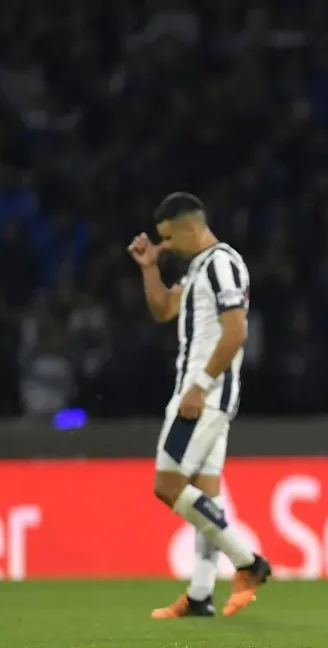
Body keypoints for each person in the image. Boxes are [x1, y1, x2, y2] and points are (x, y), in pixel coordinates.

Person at [127, 192, 270, 619]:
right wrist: (150, 268)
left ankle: (248, 561)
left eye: (169, 237)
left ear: (191, 227)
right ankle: (201, 594)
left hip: (203, 395)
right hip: (201, 394)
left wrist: (200, 386)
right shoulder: (198, 270)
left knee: (167, 484)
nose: (166, 245)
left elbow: (236, 331)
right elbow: (164, 309)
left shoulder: (223, 264)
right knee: (205, 495)